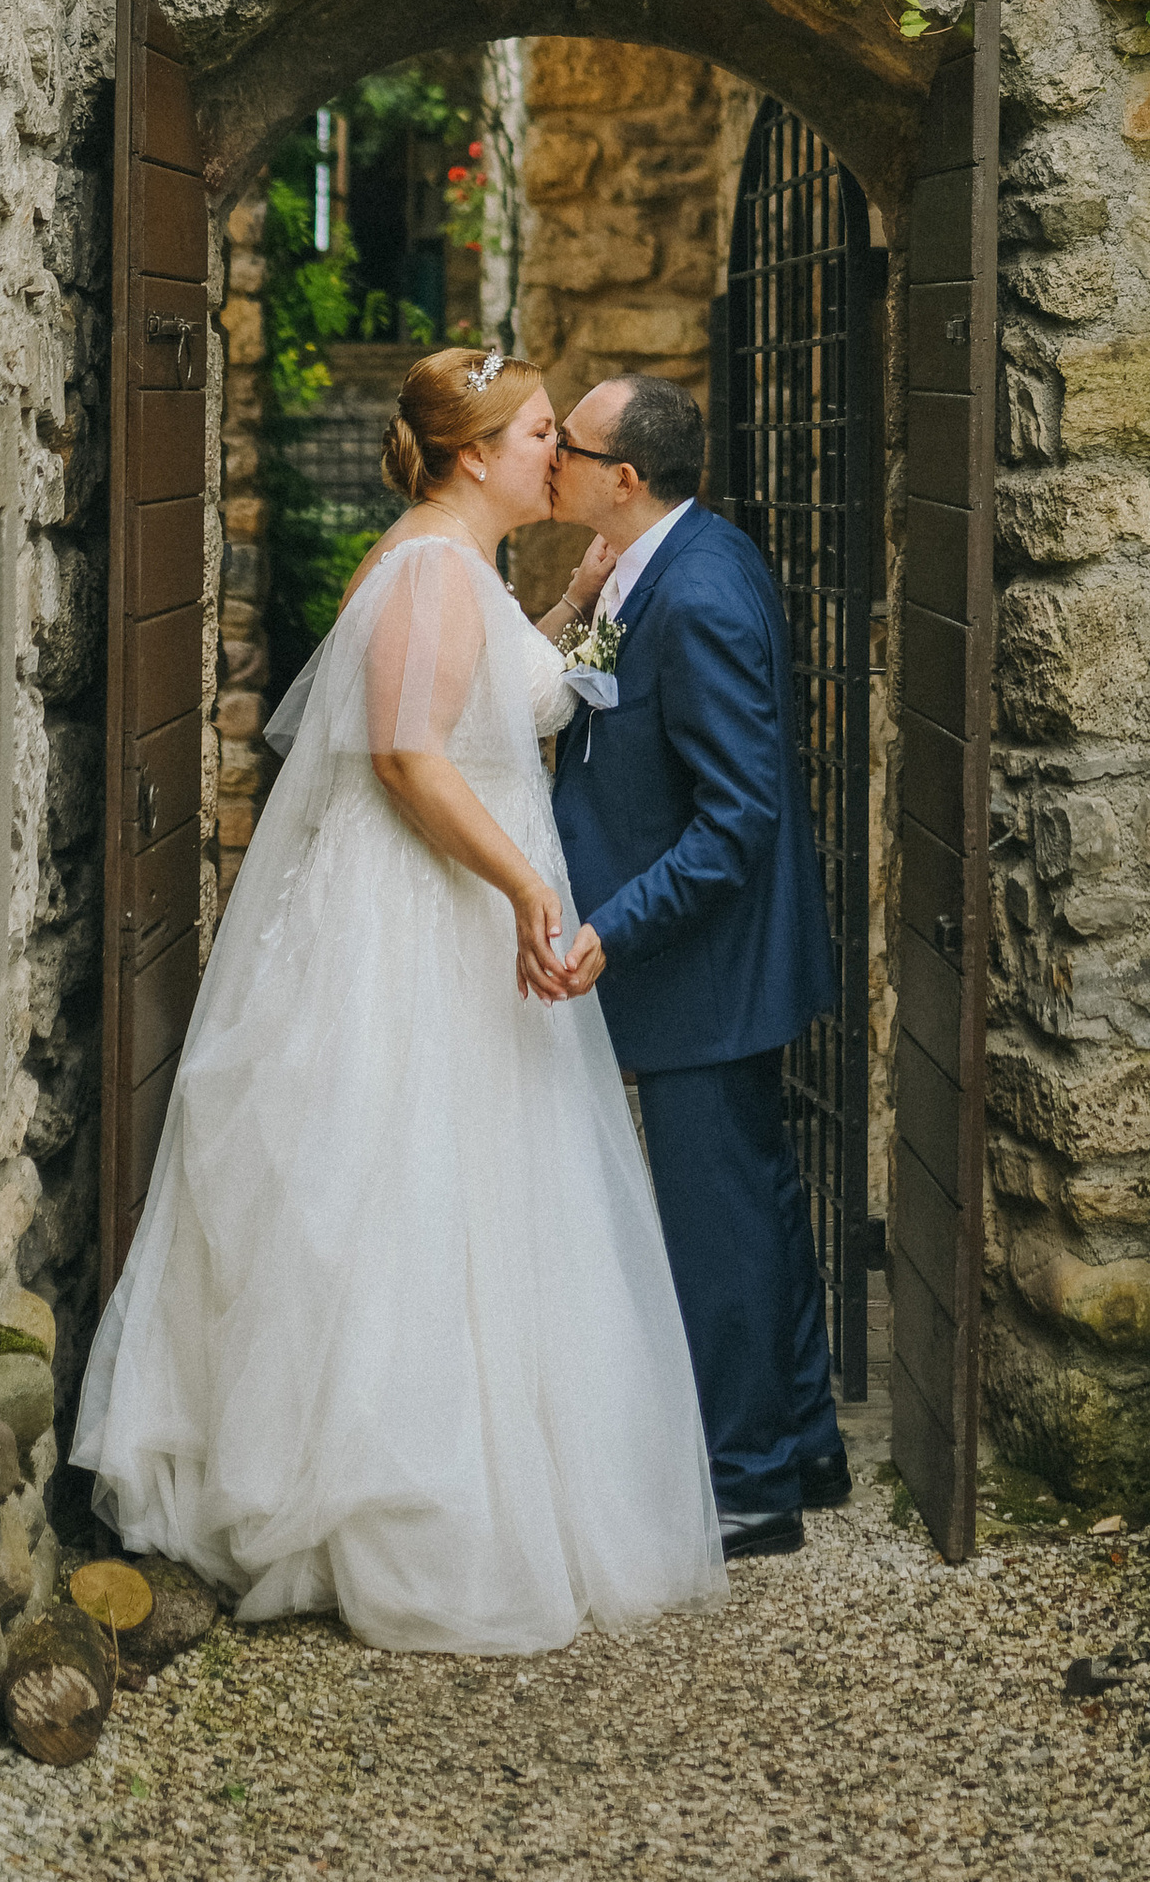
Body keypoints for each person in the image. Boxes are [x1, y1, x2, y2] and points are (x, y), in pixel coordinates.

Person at [72, 346, 726, 1653]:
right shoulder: (431, 567)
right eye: (542, 429)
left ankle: (459, 1476)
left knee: (480, 1189)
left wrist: (581, 598)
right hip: (417, 917)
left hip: (461, 905)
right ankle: (381, 1502)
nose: (560, 451)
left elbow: (491, 695)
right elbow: (410, 759)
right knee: (403, 1179)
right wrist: (527, 893)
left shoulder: (456, 563)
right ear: (478, 453)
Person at [544, 374, 850, 1563]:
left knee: (719, 1223)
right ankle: (803, 1442)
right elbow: (597, 707)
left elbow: (737, 819)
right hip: (697, 967)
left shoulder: (703, 591)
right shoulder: (644, 567)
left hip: (704, 967)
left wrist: (616, 926)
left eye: (566, 445)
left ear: (624, 477)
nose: (550, 458)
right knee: (755, 1200)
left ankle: (748, 1487)